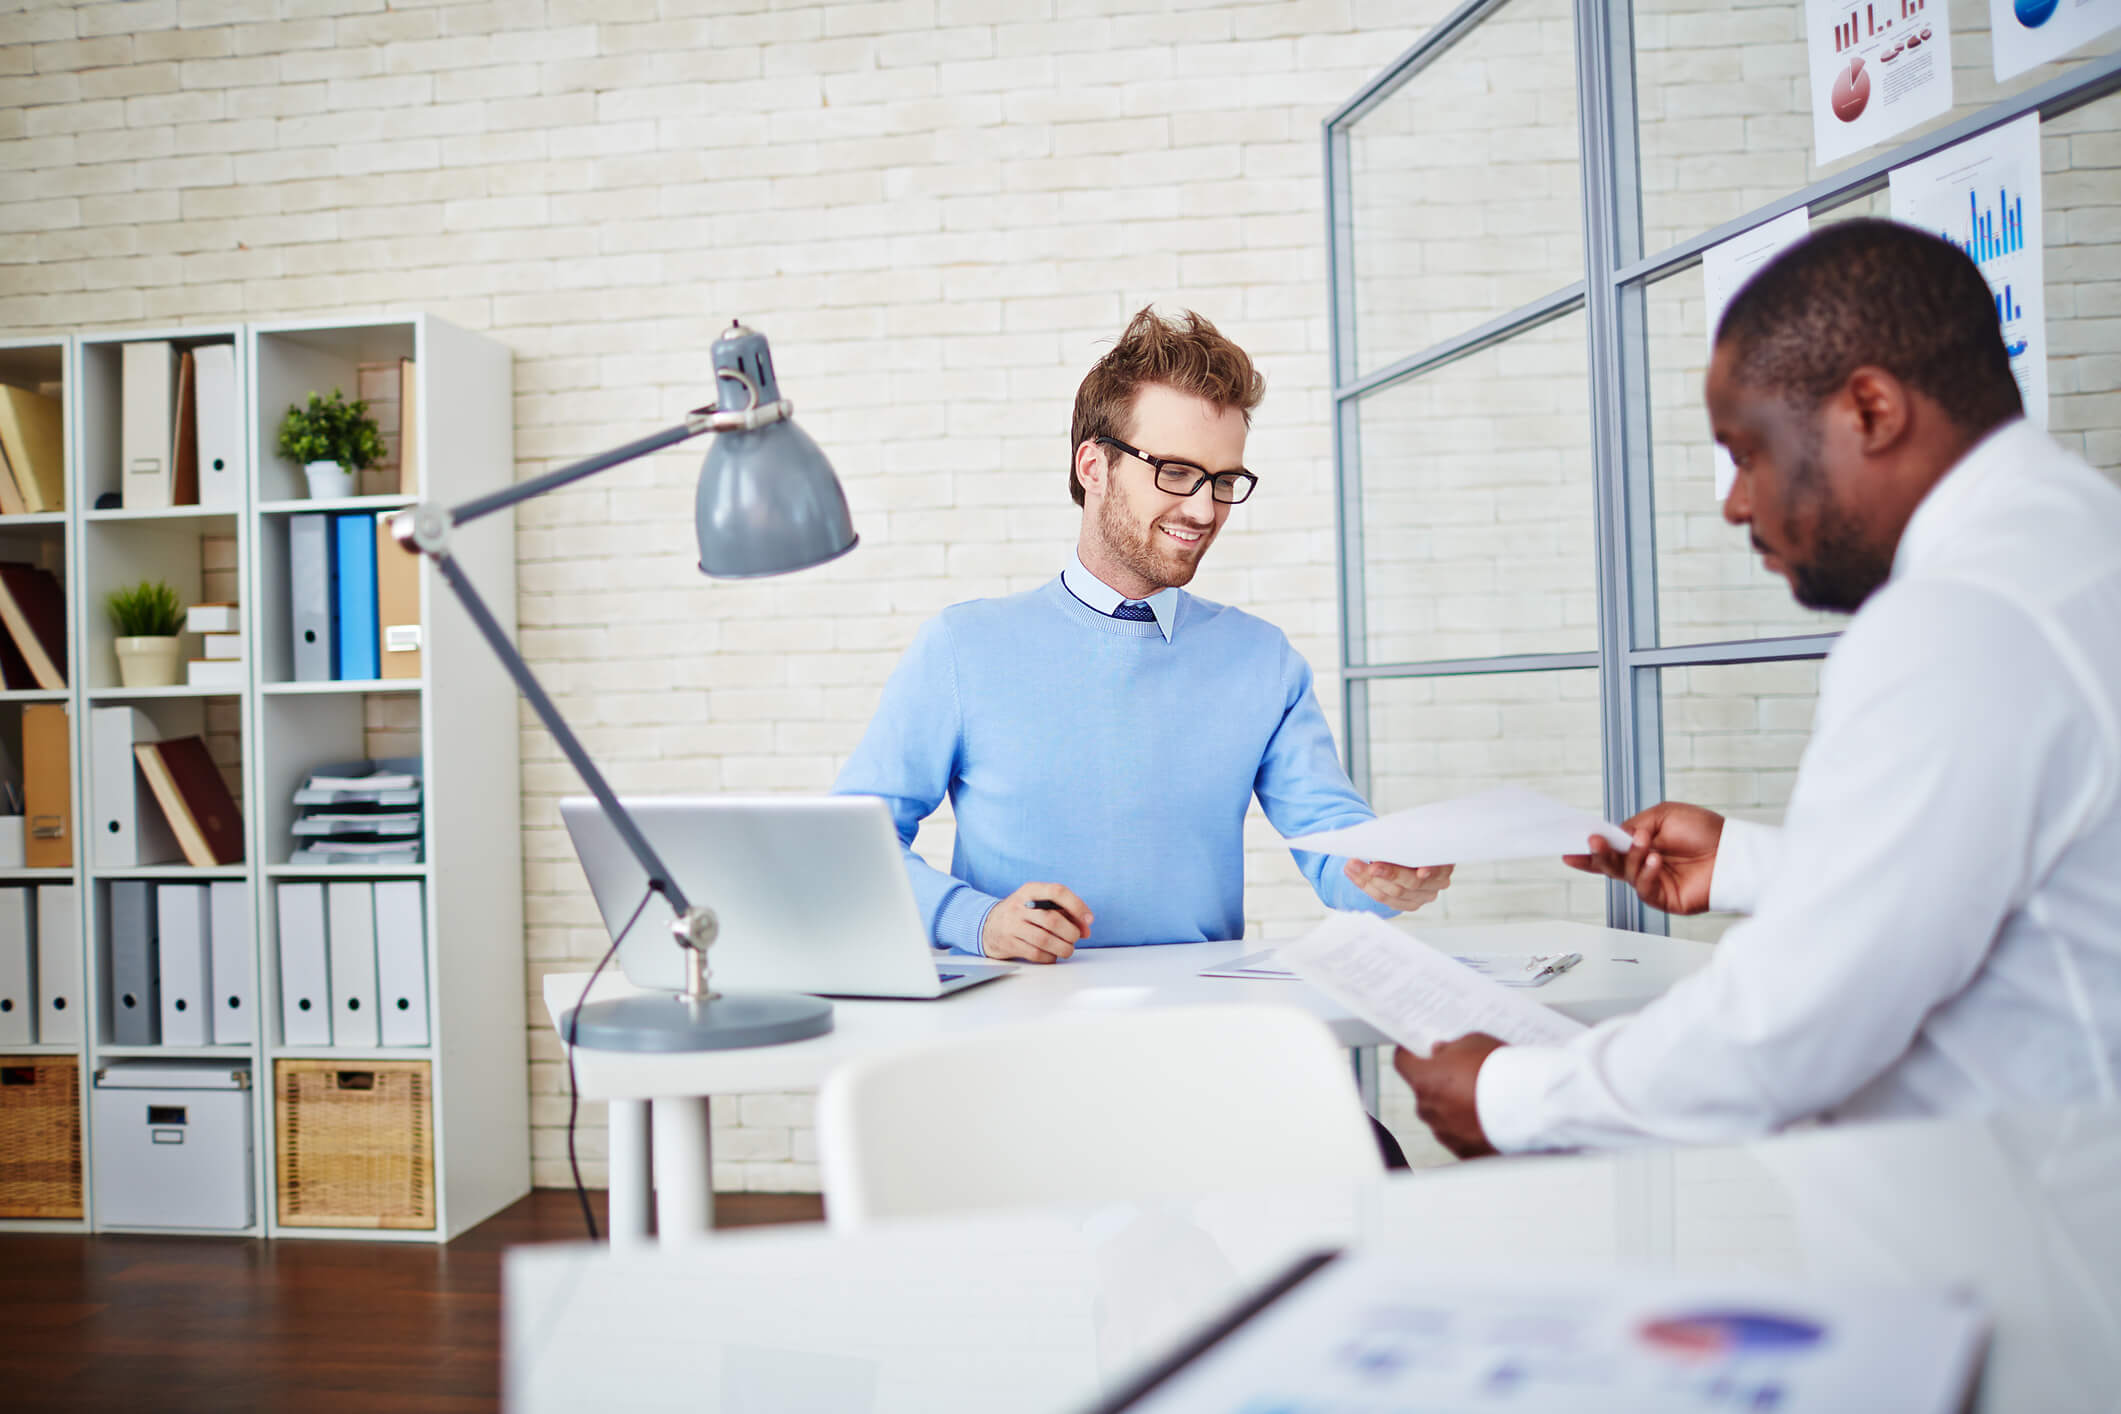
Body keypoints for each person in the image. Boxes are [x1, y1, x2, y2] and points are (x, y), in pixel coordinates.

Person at [1397, 218, 2121, 1157]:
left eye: (1746, 453)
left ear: (1869, 410)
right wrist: (1745, 864)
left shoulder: (1955, 617)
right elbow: (1992, 880)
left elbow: (1794, 1025)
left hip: (2025, 1238)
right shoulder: (2073, 544)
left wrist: (1511, 1097)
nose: (1735, 502)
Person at [833, 306, 1452, 965]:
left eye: (1223, 480)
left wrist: (1387, 877)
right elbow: (850, 846)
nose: (1203, 509)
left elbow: (1337, 855)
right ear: (1093, 467)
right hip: (1014, 1026)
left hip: (1197, 1026)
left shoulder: (1261, 660)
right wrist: (973, 920)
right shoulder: (963, 647)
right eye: (1176, 473)